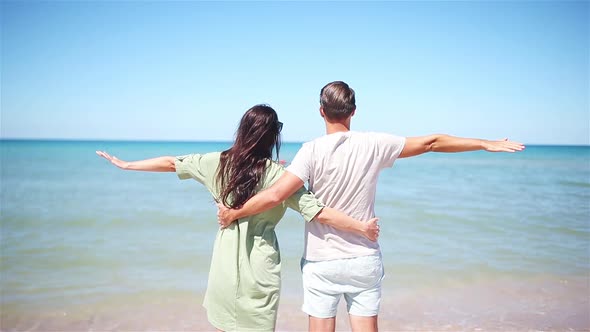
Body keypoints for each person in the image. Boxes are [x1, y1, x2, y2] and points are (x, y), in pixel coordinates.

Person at [217, 82, 525, 332]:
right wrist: (484, 142)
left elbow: (275, 195)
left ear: (321, 111)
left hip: (322, 262)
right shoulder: (376, 143)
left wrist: (234, 213)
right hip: (364, 258)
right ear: (353, 111)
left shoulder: (310, 151)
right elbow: (432, 142)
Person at [96, 104, 380, 332]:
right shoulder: (279, 177)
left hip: (224, 267)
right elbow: (319, 212)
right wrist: (361, 227)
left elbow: (172, 163)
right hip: (260, 271)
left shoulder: (217, 163)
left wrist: (127, 164)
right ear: (272, 136)